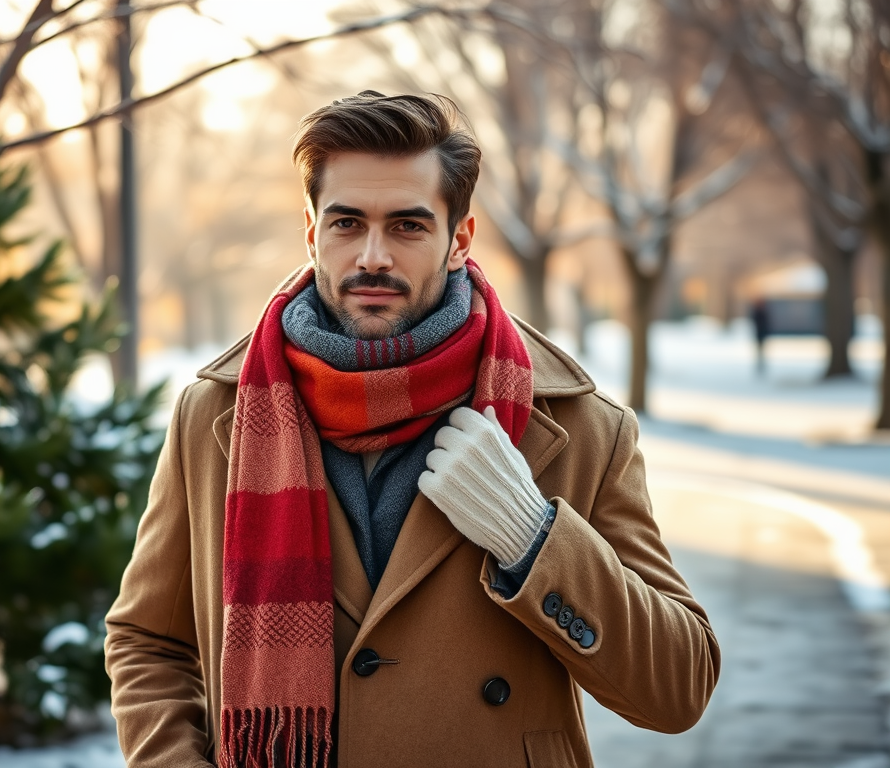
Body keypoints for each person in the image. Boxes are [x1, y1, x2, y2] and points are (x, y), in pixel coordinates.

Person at [104, 91, 720, 768]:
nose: (372, 256)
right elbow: (148, 640)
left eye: (407, 226)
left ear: (458, 240)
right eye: (346, 224)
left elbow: (679, 688)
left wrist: (533, 537)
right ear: (312, 235)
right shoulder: (216, 417)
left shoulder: (580, 426)